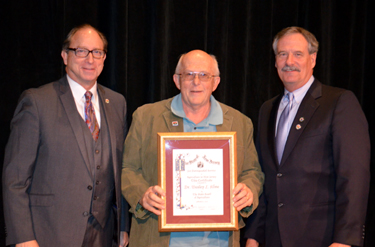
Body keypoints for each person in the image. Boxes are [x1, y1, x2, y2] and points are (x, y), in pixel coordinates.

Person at [2, 24, 130, 247]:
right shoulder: (37, 102)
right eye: (81, 51)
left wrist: (122, 227)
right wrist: (23, 237)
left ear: (104, 58)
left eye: (97, 52)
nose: (90, 59)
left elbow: (120, 169)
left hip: (104, 233)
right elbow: (15, 179)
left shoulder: (117, 103)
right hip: (49, 234)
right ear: (64, 56)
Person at [121, 49, 264, 247]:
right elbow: (128, 169)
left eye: (204, 75)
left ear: (215, 82)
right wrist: (142, 195)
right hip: (158, 238)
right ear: (177, 80)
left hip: (220, 241)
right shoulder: (146, 117)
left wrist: (249, 190)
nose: (196, 82)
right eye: (189, 75)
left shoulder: (240, 123)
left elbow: (252, 172)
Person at [245, 26, 370, 247]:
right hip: (273, 239)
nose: (289, 61)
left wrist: (344, 241)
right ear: (275, 61)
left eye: (298, 54)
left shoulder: (339, 102)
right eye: (282, 54)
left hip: (322, 240)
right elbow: (266, 177)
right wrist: (253, 236)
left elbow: (354, 177)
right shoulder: (267, 109)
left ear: (312, 59)